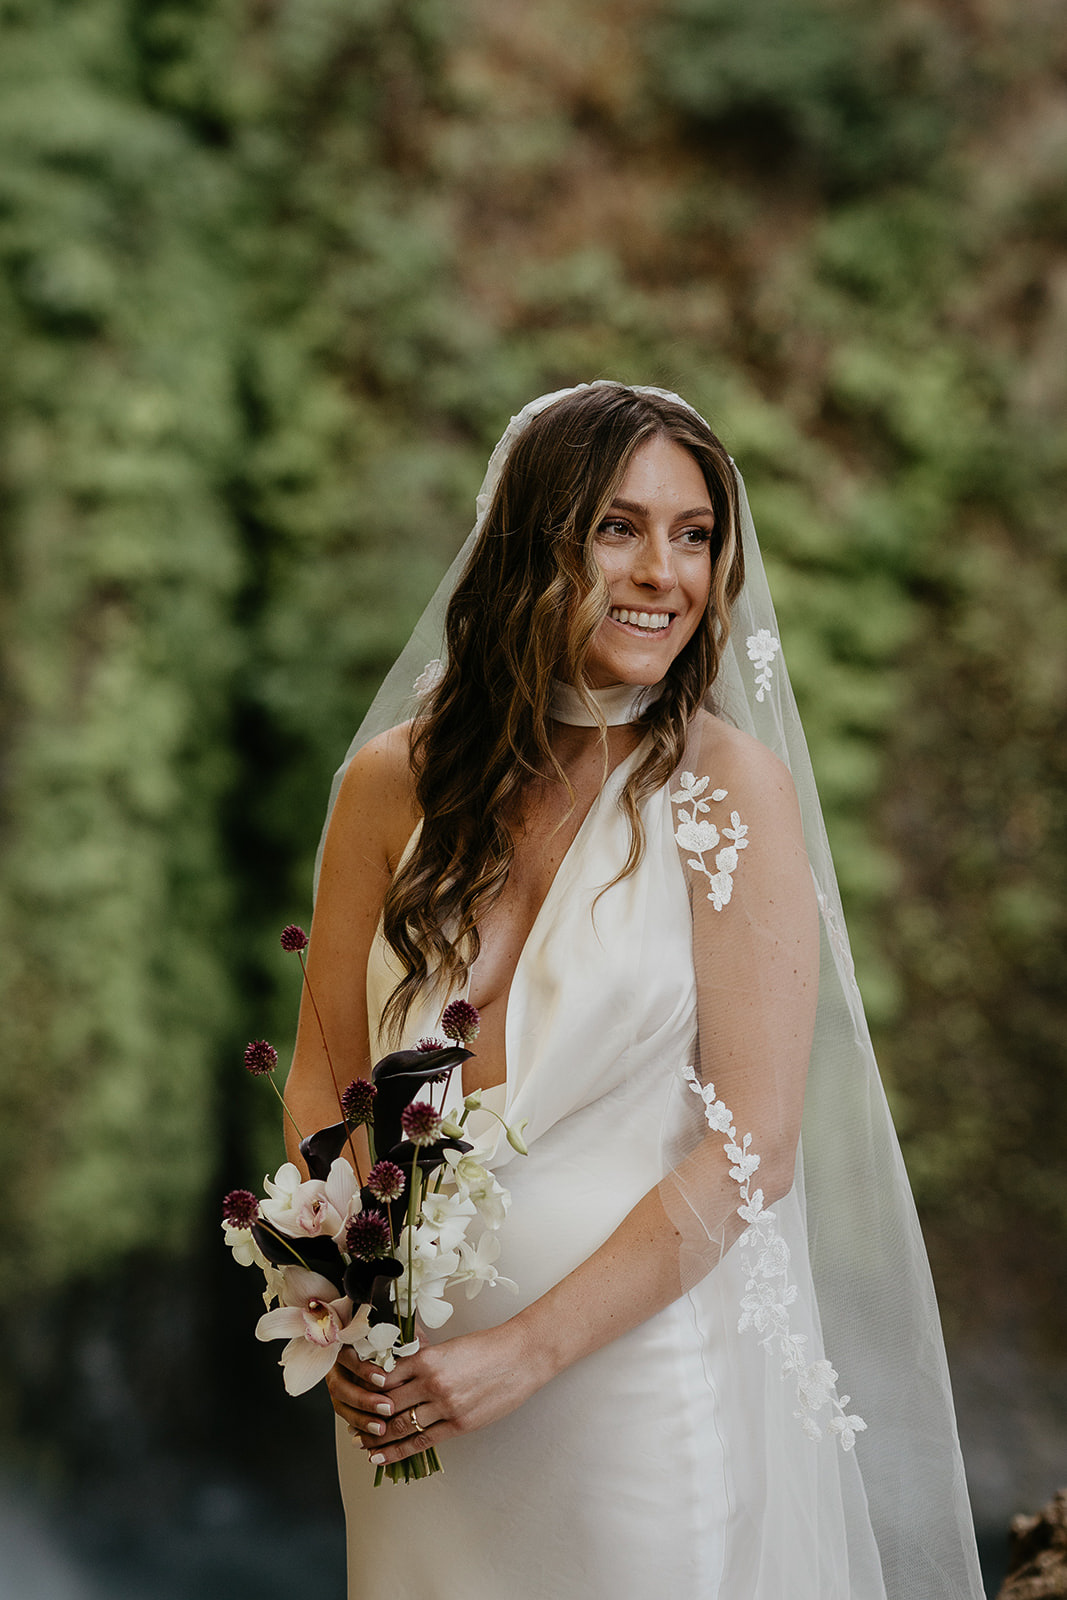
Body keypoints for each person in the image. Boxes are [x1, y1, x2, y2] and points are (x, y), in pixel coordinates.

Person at [283, 383, 985, 1600]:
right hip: (411, 1402)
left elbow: (753, 1146)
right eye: (616, 527)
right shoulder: (389, 783)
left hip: (628, 1384)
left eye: (693, 533)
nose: (662, 570)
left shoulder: (728, 792)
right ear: (527, 542)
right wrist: (342, 1301)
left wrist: (520, 1353)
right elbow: (322, 1068)